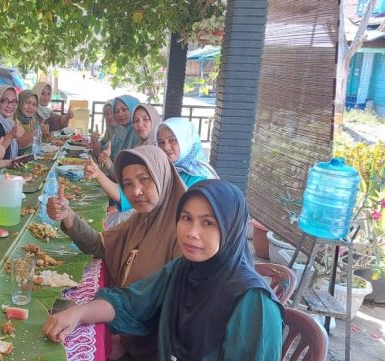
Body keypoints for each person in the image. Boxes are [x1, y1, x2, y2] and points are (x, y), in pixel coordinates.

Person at [44, 180, 284, 361]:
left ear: (231, 228)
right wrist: (78, 313)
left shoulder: (253, 302)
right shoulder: (183, 270)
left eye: (208, 222)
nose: (192, 232)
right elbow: (131, 302)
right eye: (186, 218)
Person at [47, 145, 186, 360]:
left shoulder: (184, 235)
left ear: (162, 176)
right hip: (127, 334)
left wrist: (121, 339)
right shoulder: (141, 219)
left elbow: (164, 306)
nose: (135, 191)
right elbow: (101, 245)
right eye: (128, 184)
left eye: (144, 179)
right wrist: (67, 215)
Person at [157, 117, 219, 187]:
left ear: (187, 142)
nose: (166, 148)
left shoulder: (200, 178)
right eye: (161, 142)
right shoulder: (161, 169)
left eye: (172, 140)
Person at [99, 95, 141, 169]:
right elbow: (104, 152)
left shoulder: (139, 133)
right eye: (116, 111)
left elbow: (129, 171)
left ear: (134, 110)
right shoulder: (121, 131)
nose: (120, 114)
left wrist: (107, 161)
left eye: (124, 109)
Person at [0, 85, 24, 160]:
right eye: (5, 101)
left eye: (14, 101)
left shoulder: (10, 121)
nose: (10, 105)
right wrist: (11, 135)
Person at [14, 89, 42, 154]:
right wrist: (37, 131)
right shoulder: (13, 120)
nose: (31, 107)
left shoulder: (32, 119)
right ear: (20, 103)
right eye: (27, 103)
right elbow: (18, 144)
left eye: (34, 104)